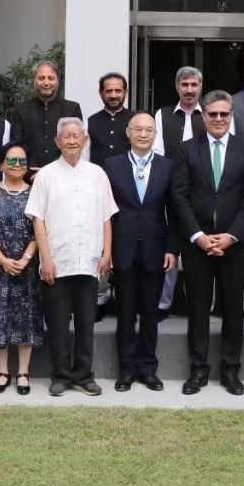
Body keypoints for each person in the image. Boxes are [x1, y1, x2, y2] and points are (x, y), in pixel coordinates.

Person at [172, 90, 244, 396]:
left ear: (232, 116)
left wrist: (231, 235)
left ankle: (230, 371)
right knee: (197, 309)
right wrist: (198, 236)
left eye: (224, 114)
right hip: (197, 245)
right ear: (203, 116)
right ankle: (198, 371)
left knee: (233, 310)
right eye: (213, 114)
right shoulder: (186, 150)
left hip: (233, 245)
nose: (219, 119)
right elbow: (179, 197)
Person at [26, 117, 118, 397]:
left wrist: (107, 253)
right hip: (58, 261)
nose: (72, 140)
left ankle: (84, 375)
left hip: (89, 261)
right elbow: (38, 220)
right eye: (66, 135)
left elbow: (106, 217)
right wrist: (46, 259)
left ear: (85, 140)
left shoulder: (97, 174)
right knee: (57, 323)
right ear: (57, 141)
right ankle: (61, 375)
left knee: (86, 323)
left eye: (77, 135)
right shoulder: (46, 175)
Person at [103, 111, 176, 391]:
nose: (143, 134)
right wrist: (106, 250)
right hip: (122, 249)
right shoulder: (111, 165)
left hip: (156, 251)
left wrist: (172, 249)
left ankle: (148, 369)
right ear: (128, 133)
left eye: (149, 130)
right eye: (138, 129)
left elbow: (174, 210)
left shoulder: (167, 166)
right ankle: (126, 370)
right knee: (125, 313)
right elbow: (105, 213)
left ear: (155, 135)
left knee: (149, 312)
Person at [0, 143, 44, 395]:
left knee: (26, 316)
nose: (17, 165)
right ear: (1, 164)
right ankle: (4, 372)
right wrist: (3, 260)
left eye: (21, 161)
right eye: (11, 160)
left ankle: (23, 373)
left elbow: (41, 229)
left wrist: (26, 258)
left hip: (27, 266)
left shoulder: (36, 193)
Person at [152, 66, 204, 318]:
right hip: (171, 190)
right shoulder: (162, 115)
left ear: (200, 88)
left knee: (199, 249)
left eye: (194, 85)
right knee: (169, 247)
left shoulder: (210, 116)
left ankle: (199, 304)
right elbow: (158, 153)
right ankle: (163, 304)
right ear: (177, 87)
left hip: (203, 192)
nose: (189, 90)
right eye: (185, 85)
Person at [10, 61, 83, 173]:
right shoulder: (21, 110)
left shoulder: (72, 109)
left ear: (58, 81)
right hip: (29, 176)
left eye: (51, 78)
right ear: (34, 81)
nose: (46, 82)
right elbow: (17, 145)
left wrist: (51, 171)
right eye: (41, 78)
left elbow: (75, 144)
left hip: (63, 174)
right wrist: (33, 171)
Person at [87, 73, 132, 167]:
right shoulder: (91, 121)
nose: (113, 95)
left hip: (128, 178)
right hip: (98, 177)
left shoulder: (135, 119)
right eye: (108, 91)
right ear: (100, 93)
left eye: (118, 91)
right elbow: (85, 155)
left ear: (126, 93)